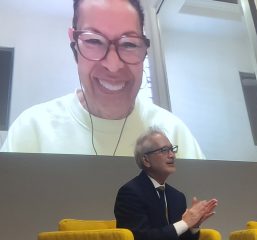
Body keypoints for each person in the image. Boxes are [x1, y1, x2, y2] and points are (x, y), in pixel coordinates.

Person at [0, 0, 204, 159]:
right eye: (94, 41)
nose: (113, 65)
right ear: (74, 44)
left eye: (130, 44)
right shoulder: (32, 131)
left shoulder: (174, 134)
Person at [114, 127, 218, 240]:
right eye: (164, 150)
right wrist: (184, 223)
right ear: (146, 160)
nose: (172, 155)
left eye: (172, 149)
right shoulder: (130, 193)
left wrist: (194, 225)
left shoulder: (177, 197)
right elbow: (141, 237)